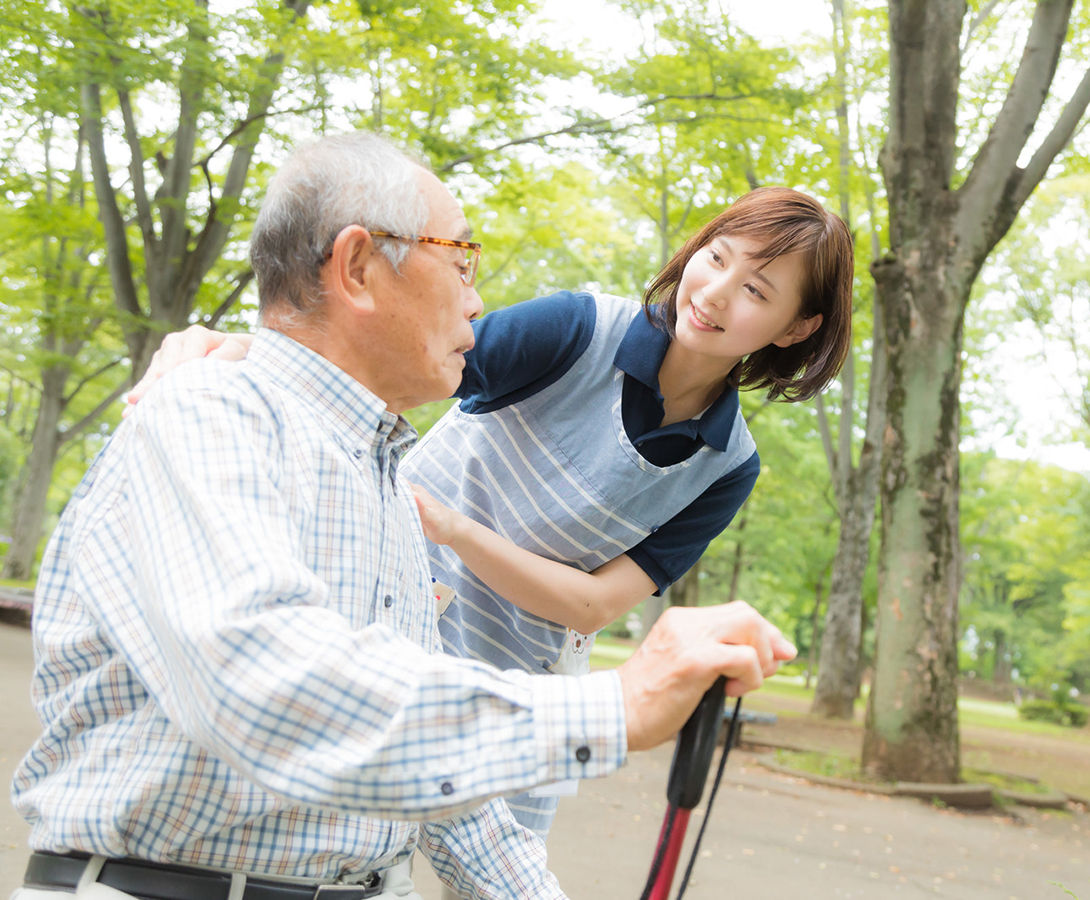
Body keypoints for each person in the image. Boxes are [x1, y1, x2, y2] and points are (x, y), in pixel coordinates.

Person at [11, 132, 795, 900]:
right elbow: (271, 689)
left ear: (797, 329)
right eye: (460, 261)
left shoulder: (387, 489)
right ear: (357, 267)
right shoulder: (210, 415)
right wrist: (617, 703)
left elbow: (444, 797)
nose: (479, 299)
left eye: (758, 289)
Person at [132, 184, 854, 845]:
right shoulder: (579, 329)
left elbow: (594, 603)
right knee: (314, 842)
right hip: (388, 619)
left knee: (493, 870)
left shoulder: (728, 464)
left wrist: (454, 528)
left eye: (756, 289)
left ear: (796, 328)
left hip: (527, 685)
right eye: (716, 257)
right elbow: (393, 367)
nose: (717, 293)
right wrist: (239, 351)